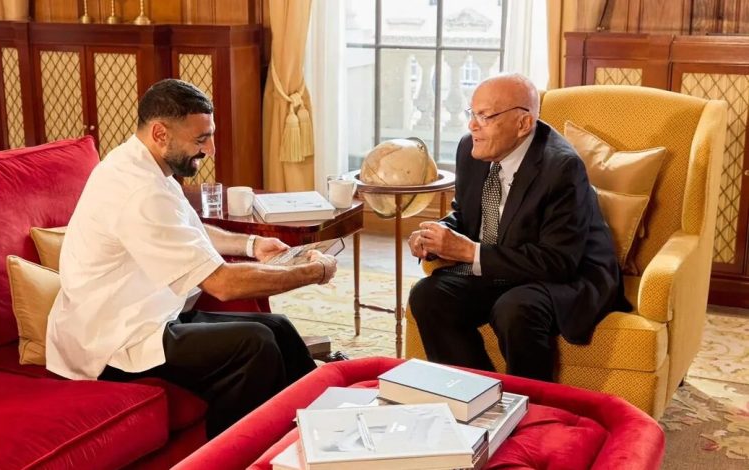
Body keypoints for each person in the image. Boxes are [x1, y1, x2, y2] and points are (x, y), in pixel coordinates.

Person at [45, 79, 338, 438]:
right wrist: (313, 272)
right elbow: (223, 285)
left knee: (278, 328)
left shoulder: (145, 165)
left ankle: (322, 429)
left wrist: (252, 245)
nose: (210, 150)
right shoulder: (139, 191)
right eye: (201, 140)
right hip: (112, 342)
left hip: (148, 315)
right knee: (255, 345)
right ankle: (227, 457)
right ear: (160, 133)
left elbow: (189, 227)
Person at [407, 73, 630, 382]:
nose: (472, 126)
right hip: (503, 263)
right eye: (472, 114)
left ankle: (531, 403)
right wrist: (437, 235)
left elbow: (558, 262)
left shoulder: (561, 167)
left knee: (514, 309)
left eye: (484, 116)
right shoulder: (472, 149)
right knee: (428, 296)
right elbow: (467, 216)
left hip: (567, 274)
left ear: (523, 123)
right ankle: (474, 391)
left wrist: (469, 252)